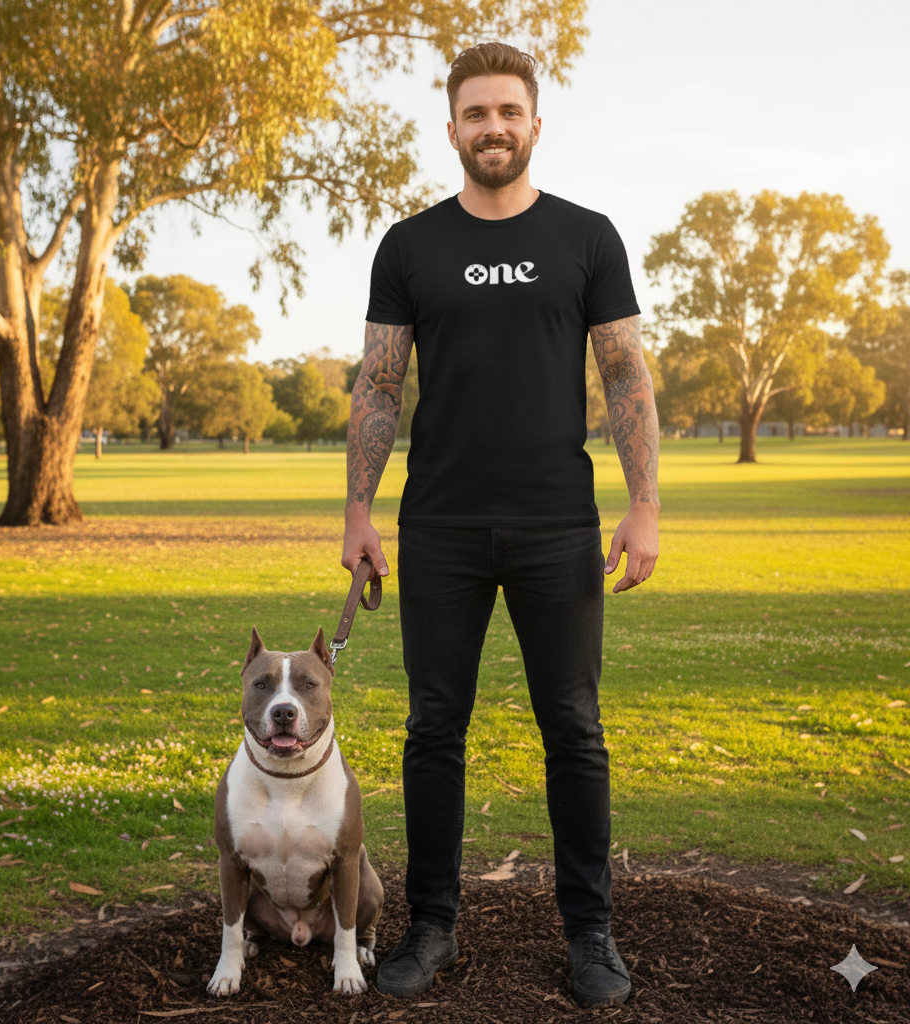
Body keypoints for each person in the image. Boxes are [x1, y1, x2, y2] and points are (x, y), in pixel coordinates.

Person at [341, 41, 660, 1008]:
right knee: (434, 727)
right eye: (475, 114)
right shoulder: (410, 246)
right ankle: (429, 925)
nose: (493, 128)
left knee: (575, 728)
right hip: (438, 527)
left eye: (508, 113)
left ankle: (591, 935)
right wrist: (358, 510)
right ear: (451, 129)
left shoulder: (588, 238)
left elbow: (625, 377)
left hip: (557, 524)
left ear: (533, 124)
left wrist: (644, 505)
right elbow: (380, 386)